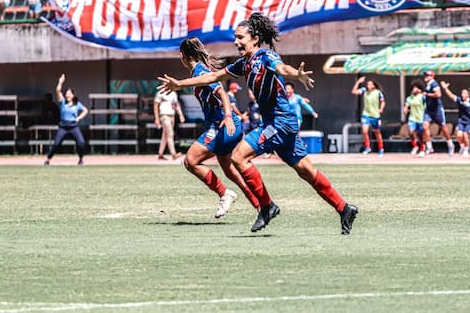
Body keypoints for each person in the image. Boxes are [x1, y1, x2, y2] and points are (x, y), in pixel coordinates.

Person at [158, 13, 358, 235]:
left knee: (239, 156)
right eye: (235, 37)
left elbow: (282, 68)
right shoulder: (244, 64)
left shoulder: (265, 56)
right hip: (281, 124)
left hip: (279, 123)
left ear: (254, 38)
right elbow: (212, 77)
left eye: (240, 37)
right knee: (306, 171)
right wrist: (180, 84)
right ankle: (344, 208)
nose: (236, 42)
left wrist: (297, 75)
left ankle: (266, 206)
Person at [176, 37, 261, 219]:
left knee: (190, 161)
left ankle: (225, 194)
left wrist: (229, 117)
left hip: (223, 125)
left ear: (182, 55)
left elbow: (221, 92)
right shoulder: (197, 72)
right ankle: (260, 205)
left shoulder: (200, 70)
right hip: (223, 125)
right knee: (227, 166)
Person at [44, 74, 88, 166]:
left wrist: (79, 118)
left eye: (69, 93)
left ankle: (80, 159)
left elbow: (85, 110)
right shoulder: (63, 102)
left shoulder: (77, 104)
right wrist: (60, 82)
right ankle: (48, 159)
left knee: (81, 142)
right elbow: (58, 90)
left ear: (72, 95)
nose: (67, 95)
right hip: (63, 126)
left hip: (73, 126)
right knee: (56, 144)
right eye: (66, 93)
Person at [440, 81, 470, 156]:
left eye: (464, 93)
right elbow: (451, 95)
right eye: (462, 93)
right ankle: (462, 146)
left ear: (468, 94)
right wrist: (445, 89)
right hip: (461, 121)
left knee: (465, 135)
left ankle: (466, 149)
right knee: (459, 135)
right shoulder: (459, 100)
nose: (462, 94)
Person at [422, 70, 455, 156]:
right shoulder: (427, 85)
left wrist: (427, 94)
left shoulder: (434, 84)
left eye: (427, 75)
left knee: (443, 127)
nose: (426, 77)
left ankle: (450, 144)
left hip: (437, 110)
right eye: (425, 75)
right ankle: (429, 147)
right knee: (425, 127)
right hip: (429, 110)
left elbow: (438, 94)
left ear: (432, 76)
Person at [351, 76, 385, 156]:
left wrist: (381, 108)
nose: (368, 85)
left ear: (373, 85)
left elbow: (383, 101)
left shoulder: (378, 92)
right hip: (366, 114)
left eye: (370, 84)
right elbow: (354, 91)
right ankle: (367, 147)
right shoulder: (364, 91)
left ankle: (381, 148)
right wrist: (358, 82)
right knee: (365, 131)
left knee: (377, 132)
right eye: (368, 84)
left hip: (375, 115)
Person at [153, 87, 185, 160]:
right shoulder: (160, 93)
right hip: (164, 116)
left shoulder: (173, 93)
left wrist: (181, 115)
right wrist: (157, 118)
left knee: (165, 135)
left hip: (172, 116)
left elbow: (176, 105)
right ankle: (174, 154)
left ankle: (160, 154)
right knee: (170, 134)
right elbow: (155, 106)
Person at [403, 79, 426, 156]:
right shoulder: (410, 98)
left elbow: (426, 106)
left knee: (420, 135)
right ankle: (415, 146)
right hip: (412, 118)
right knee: (411, 132)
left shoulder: (422, 97)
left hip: (420, 118)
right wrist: (405, 109)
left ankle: (422, 148)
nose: (414, 89)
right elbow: (406, 105)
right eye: (413, 88)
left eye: (415, 88)